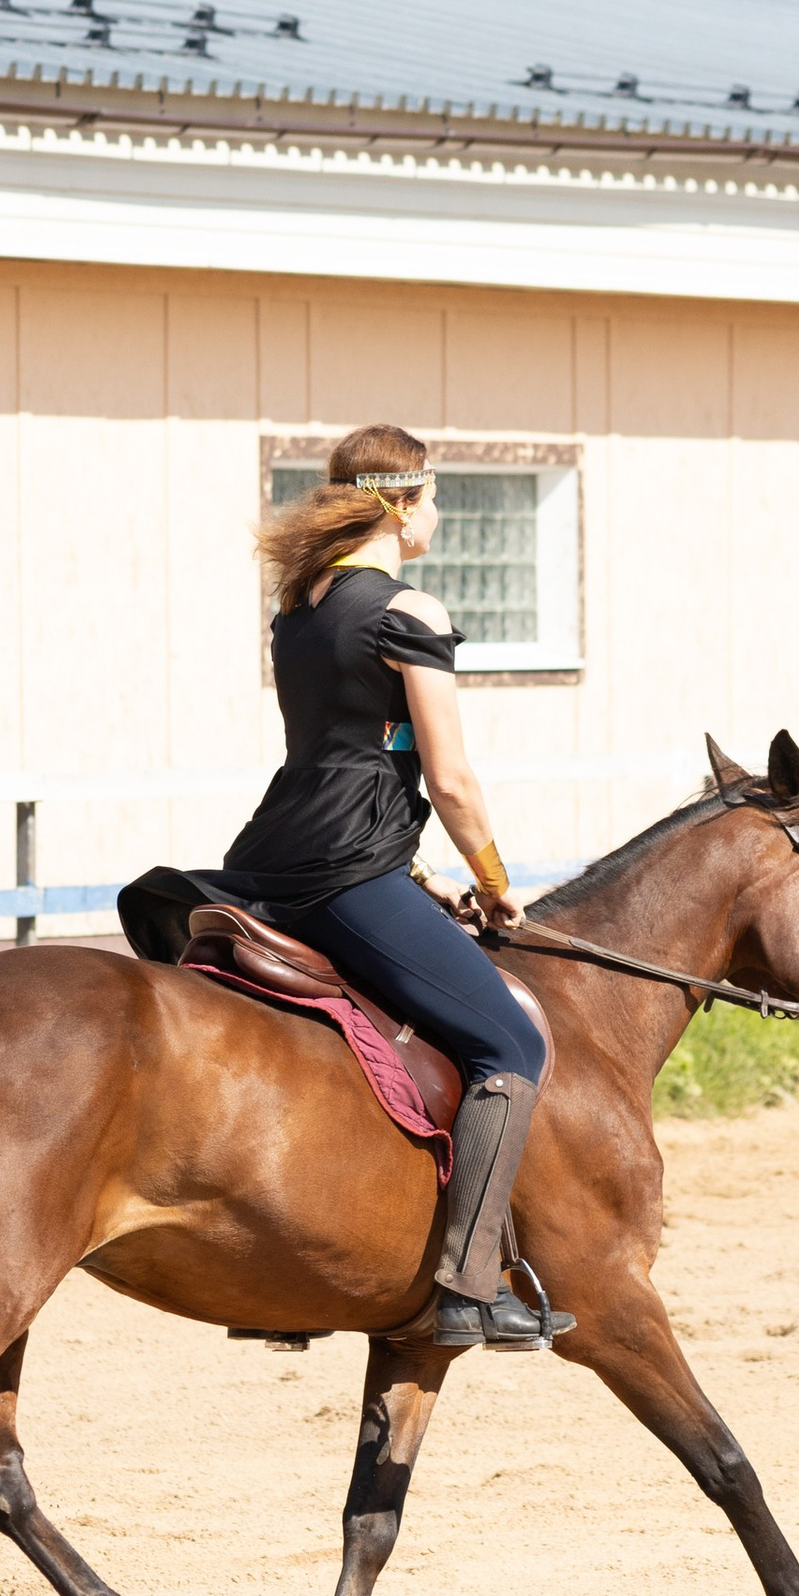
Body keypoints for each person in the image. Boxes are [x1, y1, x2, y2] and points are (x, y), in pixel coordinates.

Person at [210, 421, 554, 1350]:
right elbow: (449, 781)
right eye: (433, 498)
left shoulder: (299, 608)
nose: (437, 516)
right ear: (402, 505)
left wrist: (417, 874)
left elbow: (337, 760)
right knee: (510, 1043)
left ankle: (280, 1282)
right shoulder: (412, 611)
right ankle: (470, 1288)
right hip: (341, 875)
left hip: (266, 864)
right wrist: (493, 882)